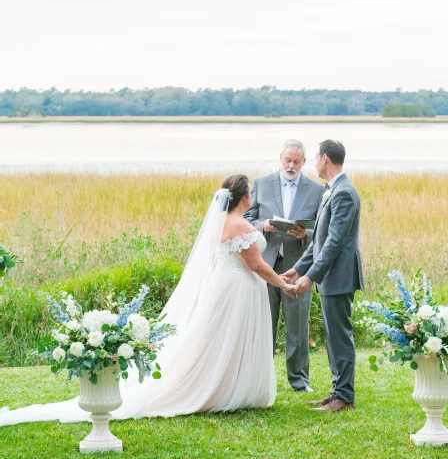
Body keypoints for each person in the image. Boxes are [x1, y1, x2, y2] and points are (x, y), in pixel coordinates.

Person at [0, 175, 297, 426]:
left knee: (216, 339)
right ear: (243, 198)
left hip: (222, 285)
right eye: (250, 195)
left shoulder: (219, 220)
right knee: (232, 338)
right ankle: (227, 390)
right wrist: (282, 282)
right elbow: (256, 265)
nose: (252, 199)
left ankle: (225, 386)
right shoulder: (240, 225)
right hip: (238, 289)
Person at [283, 140, 363, 412]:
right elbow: (319, 240)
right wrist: (299, 268)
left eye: (316, 157)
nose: (315, 162)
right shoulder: (333, 190)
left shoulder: (343, 192)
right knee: (332, 335)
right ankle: (337, 391)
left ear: (326, 159)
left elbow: (335, 242)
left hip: (339, 275)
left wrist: (311, 277)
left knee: (339, 336)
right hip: (331, 275)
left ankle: (345, 397)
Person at [245, 139, 323, 392]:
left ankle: (299, 381)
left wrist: (305, 236)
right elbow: (247, 218)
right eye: (287, 160)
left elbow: (322, 230)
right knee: (263, 323)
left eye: (296, 162)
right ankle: (260, 380)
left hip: (298, 266)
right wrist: (262, 226)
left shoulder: (316, 189)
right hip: (265, 264)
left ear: (304, 162)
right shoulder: (260, 184)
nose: (291, 165)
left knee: (298, 326)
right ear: (280, 157)